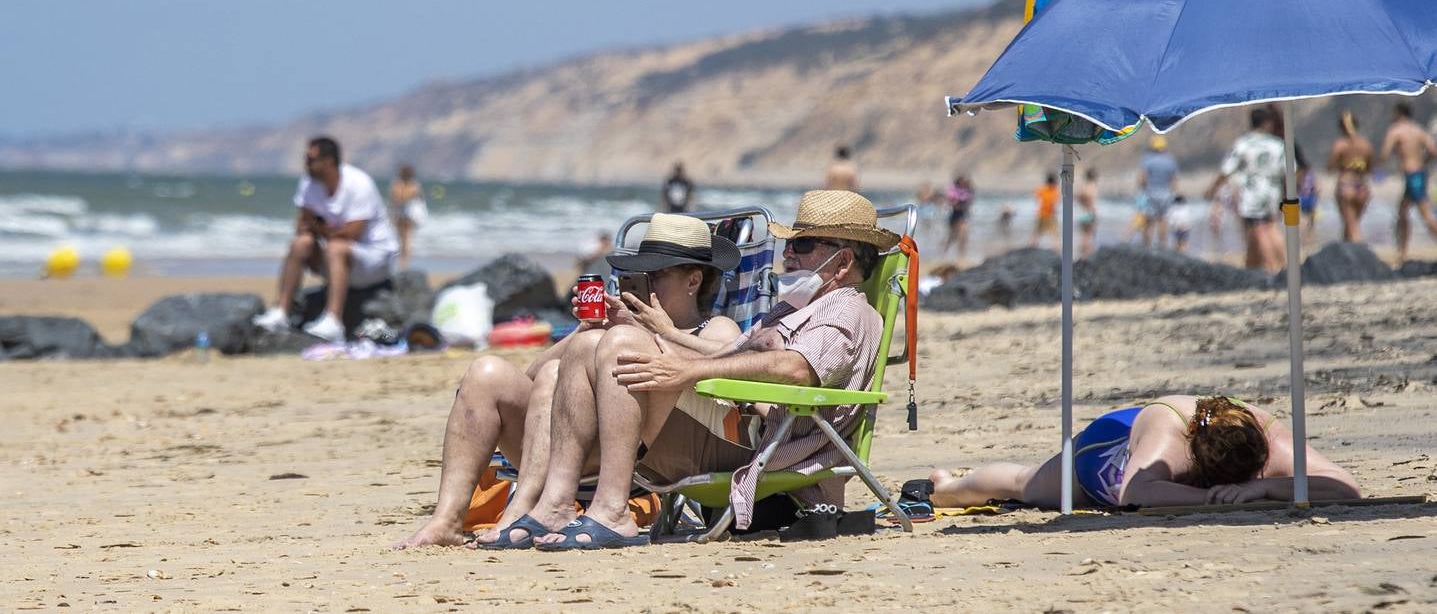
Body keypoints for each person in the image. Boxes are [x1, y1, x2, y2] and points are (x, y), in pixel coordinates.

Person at [494, 190, 893, 549]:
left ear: (842, 260)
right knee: (587, 344)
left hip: (770, 450)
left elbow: (795, 370)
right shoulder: (791, 309)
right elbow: (731, 352)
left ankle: (613, 508)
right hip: (747, 435)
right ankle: (558, 503)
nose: (786, 254)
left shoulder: (848, 311)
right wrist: (663, 332)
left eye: (801, 245)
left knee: (618, 347)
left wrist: (688, 371)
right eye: (789, 244)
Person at [394, 213, 741, 548]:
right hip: (570, 445)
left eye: (656, 274)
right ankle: (448, 520)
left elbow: (735, 368)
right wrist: (583, 333)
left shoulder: (716, 327)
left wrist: (643, 332)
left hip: (648, 453)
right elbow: (530, 381)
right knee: (488, 373)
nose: (644, 283)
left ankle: (554, 506)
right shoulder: (618, 331)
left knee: (612, 347)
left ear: (693, 281)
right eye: (640, 274)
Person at [929, 395, 1359, 509]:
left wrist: (1265, 490)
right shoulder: (1169, 430)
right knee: (1027, 485)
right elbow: (1136, 494)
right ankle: (947, 487)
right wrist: (1214, 497)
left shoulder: (1269, 435)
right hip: (1103, 459)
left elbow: (1347, 489)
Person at [253, 137, 399, 343]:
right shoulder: (309, 183)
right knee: (300, 244)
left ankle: (334, 321)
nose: (306, 164)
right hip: (338, 258)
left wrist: (319, 227)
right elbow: (301, 226)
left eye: (311, 159)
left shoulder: (359, 183)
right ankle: (282, 312)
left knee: (335, 247)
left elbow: (353, 234)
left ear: (329, 161)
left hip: (373, 262)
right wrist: (325, 229)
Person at [1206, 109, 1285, 273]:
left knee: (1259, 229)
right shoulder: (1277, 145)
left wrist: (1212, 189)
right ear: (1267, 124)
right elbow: (1291, 171)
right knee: (1270, 226)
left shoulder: (1244, 143)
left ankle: (1273, 269)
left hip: (1252, 194)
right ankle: (1264, 267)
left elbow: (1227, 169)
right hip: (1272, 193)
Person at [1380, 102, 1437, 262]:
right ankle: (1402, 252)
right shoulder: (1418, 129)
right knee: (1402, 212)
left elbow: (1385, 152)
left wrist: (1381, 163)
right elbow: (1433, 150)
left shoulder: (1396, 130)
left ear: (1398, 113)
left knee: (1425, 213)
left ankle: (1403, 251)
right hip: (1420, 173)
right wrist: (1423, 161)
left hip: (1412, 176)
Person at [1327, 110, 1374, 243]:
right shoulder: (1365, 144)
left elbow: (1330, 166)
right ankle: (1346, 255)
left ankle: (1360, 255)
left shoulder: (1340, 144)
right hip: (1362, 186)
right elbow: (1370, 167)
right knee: (1352, 223)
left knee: (1352, 225)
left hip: (1346, 185)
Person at [1139, 135, 1179, 248]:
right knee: (1163, 220)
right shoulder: (1170, 160)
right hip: (1166, 193)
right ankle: (1162, 245)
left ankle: (1146, 246)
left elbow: (1143, 178)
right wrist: (1172, 192)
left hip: (1151, 192)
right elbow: (1174, 180)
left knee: (1149, 221)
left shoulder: (1147, 159)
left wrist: (1143, 189)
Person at [388, 164, 426, 271]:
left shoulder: (396, 185)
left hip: (400, 214)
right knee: (407, 240)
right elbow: (420, 199)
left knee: (401, 241)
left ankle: (402, 264)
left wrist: (391, 214)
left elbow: (393, 200)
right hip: (409, 215)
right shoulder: (414, 185)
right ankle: (404, 265)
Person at [941, 174, 975, 261]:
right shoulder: (953, 190)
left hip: (963, 215)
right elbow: (951, 202)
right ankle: (944, 253)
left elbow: (969, 202)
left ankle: (961, 255)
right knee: (952, 237)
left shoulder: (968, 191)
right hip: (955, 215)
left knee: (963, 236)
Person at [1031, 174, 1059, 248]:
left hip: (1041, 214)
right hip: (1050, 215)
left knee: (1037, 233)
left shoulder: (1042, 189)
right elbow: (1053, 205)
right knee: (1055, 234)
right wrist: (1055, 212)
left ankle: (1032, 247)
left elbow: (1036, 198)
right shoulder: (1054, 191)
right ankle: (1056, 250)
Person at [1076, 169, 1099, 257]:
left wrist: (1083, 204)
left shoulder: (1083, 187)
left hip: (1082, 213)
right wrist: (1094, 213)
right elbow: (1092, 202)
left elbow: (1078, 197)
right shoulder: (1093, 187)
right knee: (1089, 235)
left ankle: (1082, 254)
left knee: (1083, 235)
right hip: (1090, 213)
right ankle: (1087, 254)